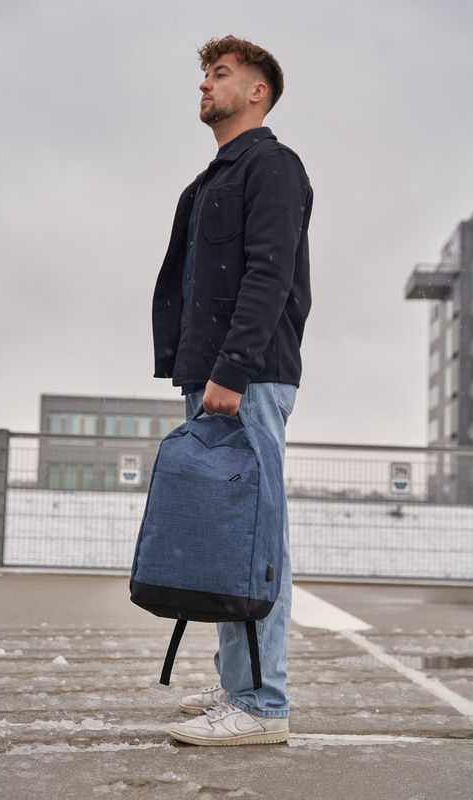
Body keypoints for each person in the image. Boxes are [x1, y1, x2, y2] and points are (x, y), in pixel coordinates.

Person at [151, 34, 313, 746]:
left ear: (257, 91)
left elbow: (270, 273)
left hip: (247, 376)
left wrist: (234, 368)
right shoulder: (212, 179)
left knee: (252, 536)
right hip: (214, 374)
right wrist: (198, 368)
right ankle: (237, 687)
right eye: (204, 76)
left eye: (220, 74)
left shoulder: (273, 166)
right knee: (225, 535)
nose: (205, 85)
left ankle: (261, 706)